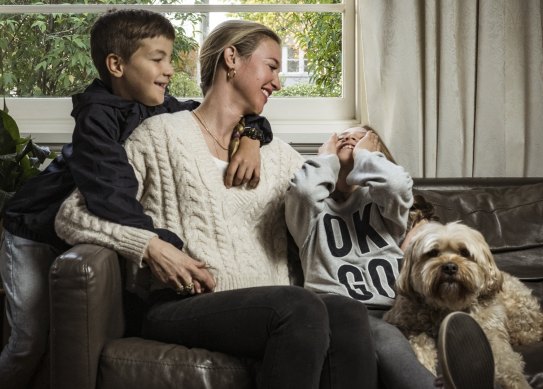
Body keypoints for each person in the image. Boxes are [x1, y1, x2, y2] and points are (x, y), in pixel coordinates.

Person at [54, 20, 379, 389]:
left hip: (275, 307)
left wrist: (348, 173)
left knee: (347, 312)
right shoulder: (160, 135)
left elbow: (331, 209)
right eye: (271, 66)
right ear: (231, 59)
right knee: (298, 307)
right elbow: (72, 215)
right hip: (182, 306)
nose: (277, 81)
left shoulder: (278, 154)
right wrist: (150, 246)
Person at [0, 10, 271, 389]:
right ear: (117, 65)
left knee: (55, 339)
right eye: (157, 58)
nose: (169, 69)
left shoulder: (159, 104)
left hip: (70, 233)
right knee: (29, 340)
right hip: (31, 230)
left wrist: (253, 136)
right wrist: (163, 244)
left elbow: (208, 116)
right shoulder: (96, 119)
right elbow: (111, 197)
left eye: (170, 58)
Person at [285, 126, 496, 388]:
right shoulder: (311, 216)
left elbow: (395, 185)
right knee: (387, 337)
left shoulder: (387, 211)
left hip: (392, 308)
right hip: (337, 309)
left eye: (359, 137)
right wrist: (326, 158)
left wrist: (368, 156)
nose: (350, 138)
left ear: (373, 152)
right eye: (342, 137)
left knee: (421, 337)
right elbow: (304, 191)